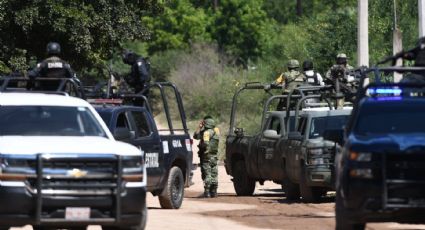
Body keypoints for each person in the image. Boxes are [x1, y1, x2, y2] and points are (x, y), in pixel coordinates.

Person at [193, 116, 220, 198]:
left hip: (206, 156)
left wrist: (199, 127)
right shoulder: (216, 131)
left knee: (207, 174)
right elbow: (196, 136)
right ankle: (214, 192)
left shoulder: (206, 133)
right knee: (214, 174)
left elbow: (196, 136)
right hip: (214, 156)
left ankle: (207, 192)